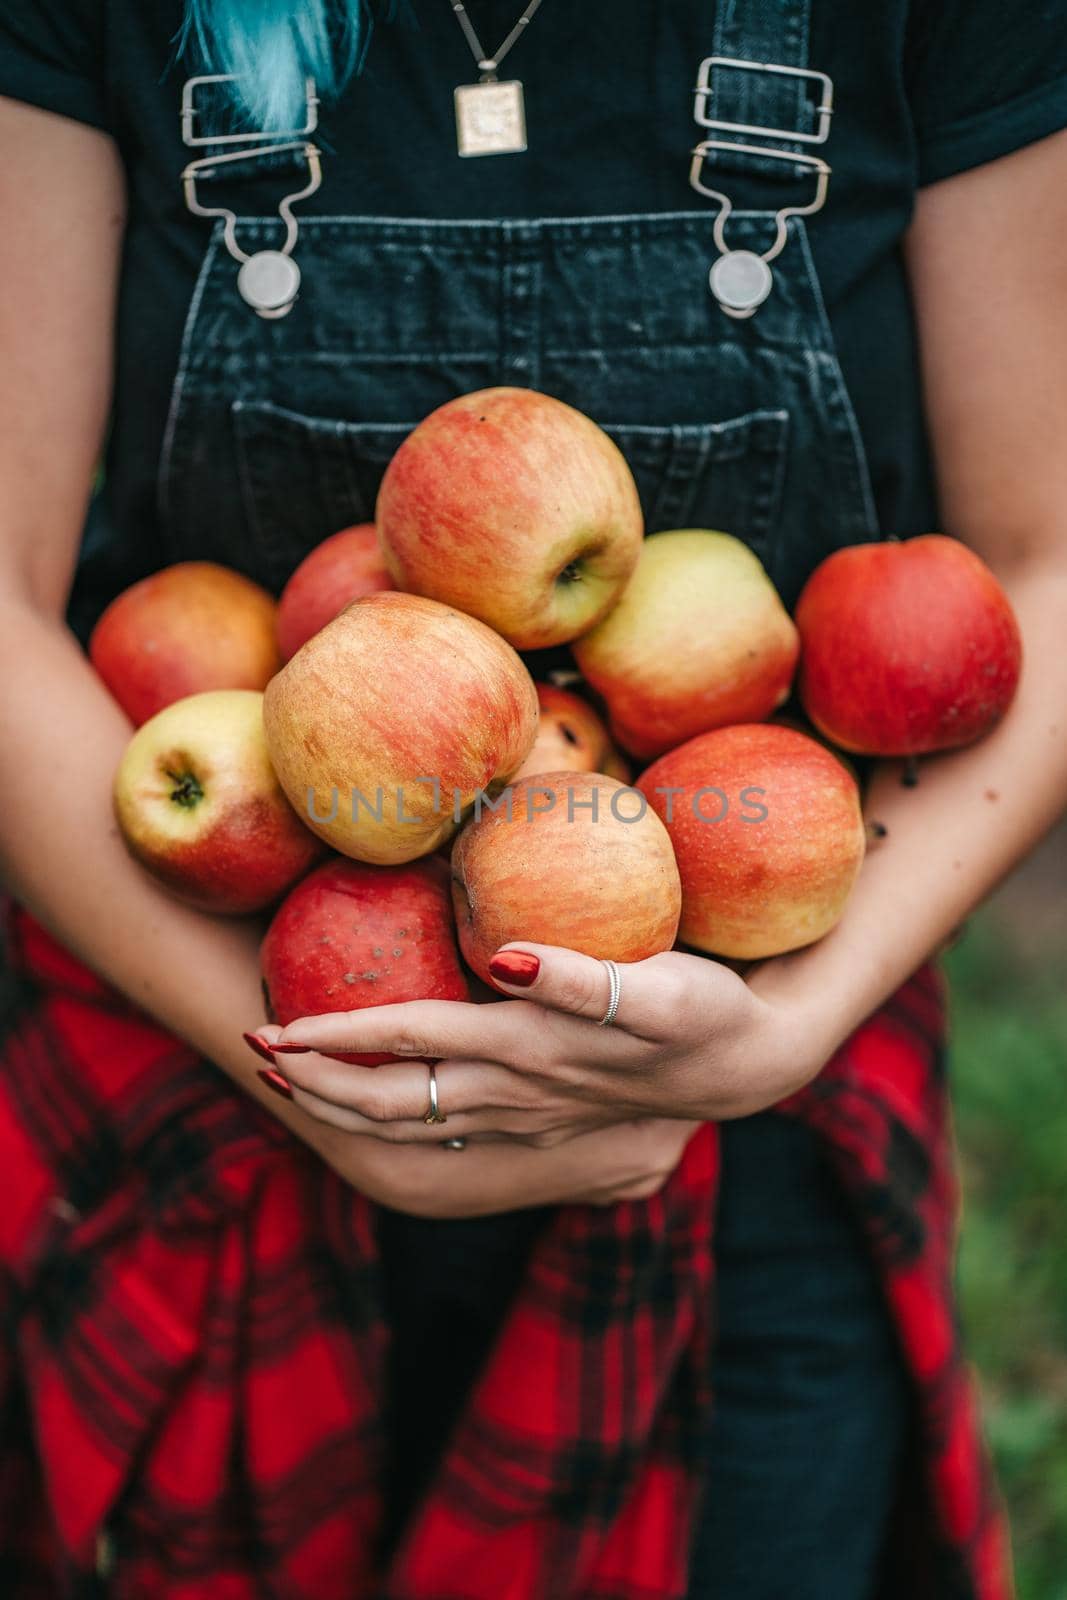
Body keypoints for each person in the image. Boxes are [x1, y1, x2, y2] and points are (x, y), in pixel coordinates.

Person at [1, 1, 1066, 1595]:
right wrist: (304, 1044)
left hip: (758, 1065)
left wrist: (787, 1027)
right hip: (214, 1029)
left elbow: (1051, 558)